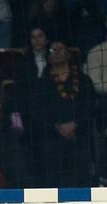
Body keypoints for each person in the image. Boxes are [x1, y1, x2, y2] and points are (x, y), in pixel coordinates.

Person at [33, 39, 97, 187]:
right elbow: (38, 111)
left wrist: (75, 124)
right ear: (48, 57)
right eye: (52, 50)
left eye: (61, 49)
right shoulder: (42, 82)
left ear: (68, 54)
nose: (56, 52)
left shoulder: (83, 80)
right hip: (51, 138)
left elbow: (90, 106)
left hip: (79, 135)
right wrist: (57, 127)